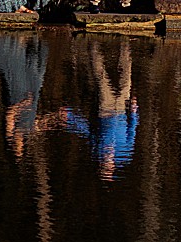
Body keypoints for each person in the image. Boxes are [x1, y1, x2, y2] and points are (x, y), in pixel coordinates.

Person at [59, 42, 139, 180]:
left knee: (101, 78)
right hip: (121, 109)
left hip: (106, 108)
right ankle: (125, 45)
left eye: (104, 167)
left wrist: (70, 116)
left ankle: (93, 46)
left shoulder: (96, 148)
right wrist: (133, 111)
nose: (106, 164)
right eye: (108, 167)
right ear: (113, 165)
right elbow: (132, 130)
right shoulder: (125, 151)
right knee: (126, 77)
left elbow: (86, 129)